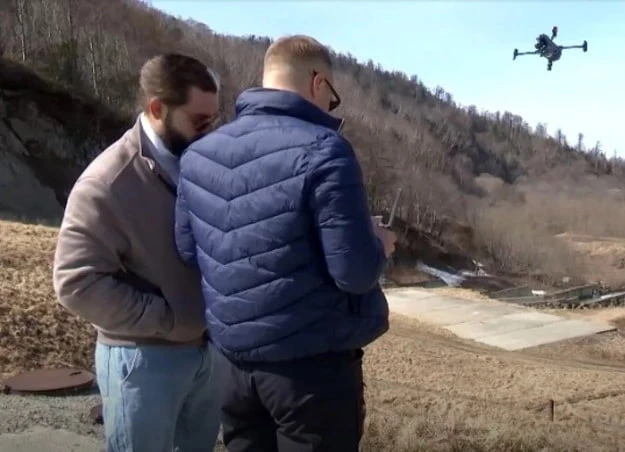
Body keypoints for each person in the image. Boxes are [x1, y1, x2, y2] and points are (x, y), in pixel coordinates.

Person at [174, 34, 396, 452]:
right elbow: (354, 273)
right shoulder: (326, 150)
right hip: (310, 369)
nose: (330, 108)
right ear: (317, 83)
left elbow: (189, 250)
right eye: (332, 98)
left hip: (231, 365)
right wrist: (378, 242)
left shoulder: (199, 154)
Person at [52, 53, 224, 452]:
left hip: (209, 358)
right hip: (143, 364)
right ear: (157, 109)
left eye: (214, 120)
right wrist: (169, 319)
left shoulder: (202, 162)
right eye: (199, 121)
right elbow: (76, 283)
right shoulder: (107, 182)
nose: (210, 131)